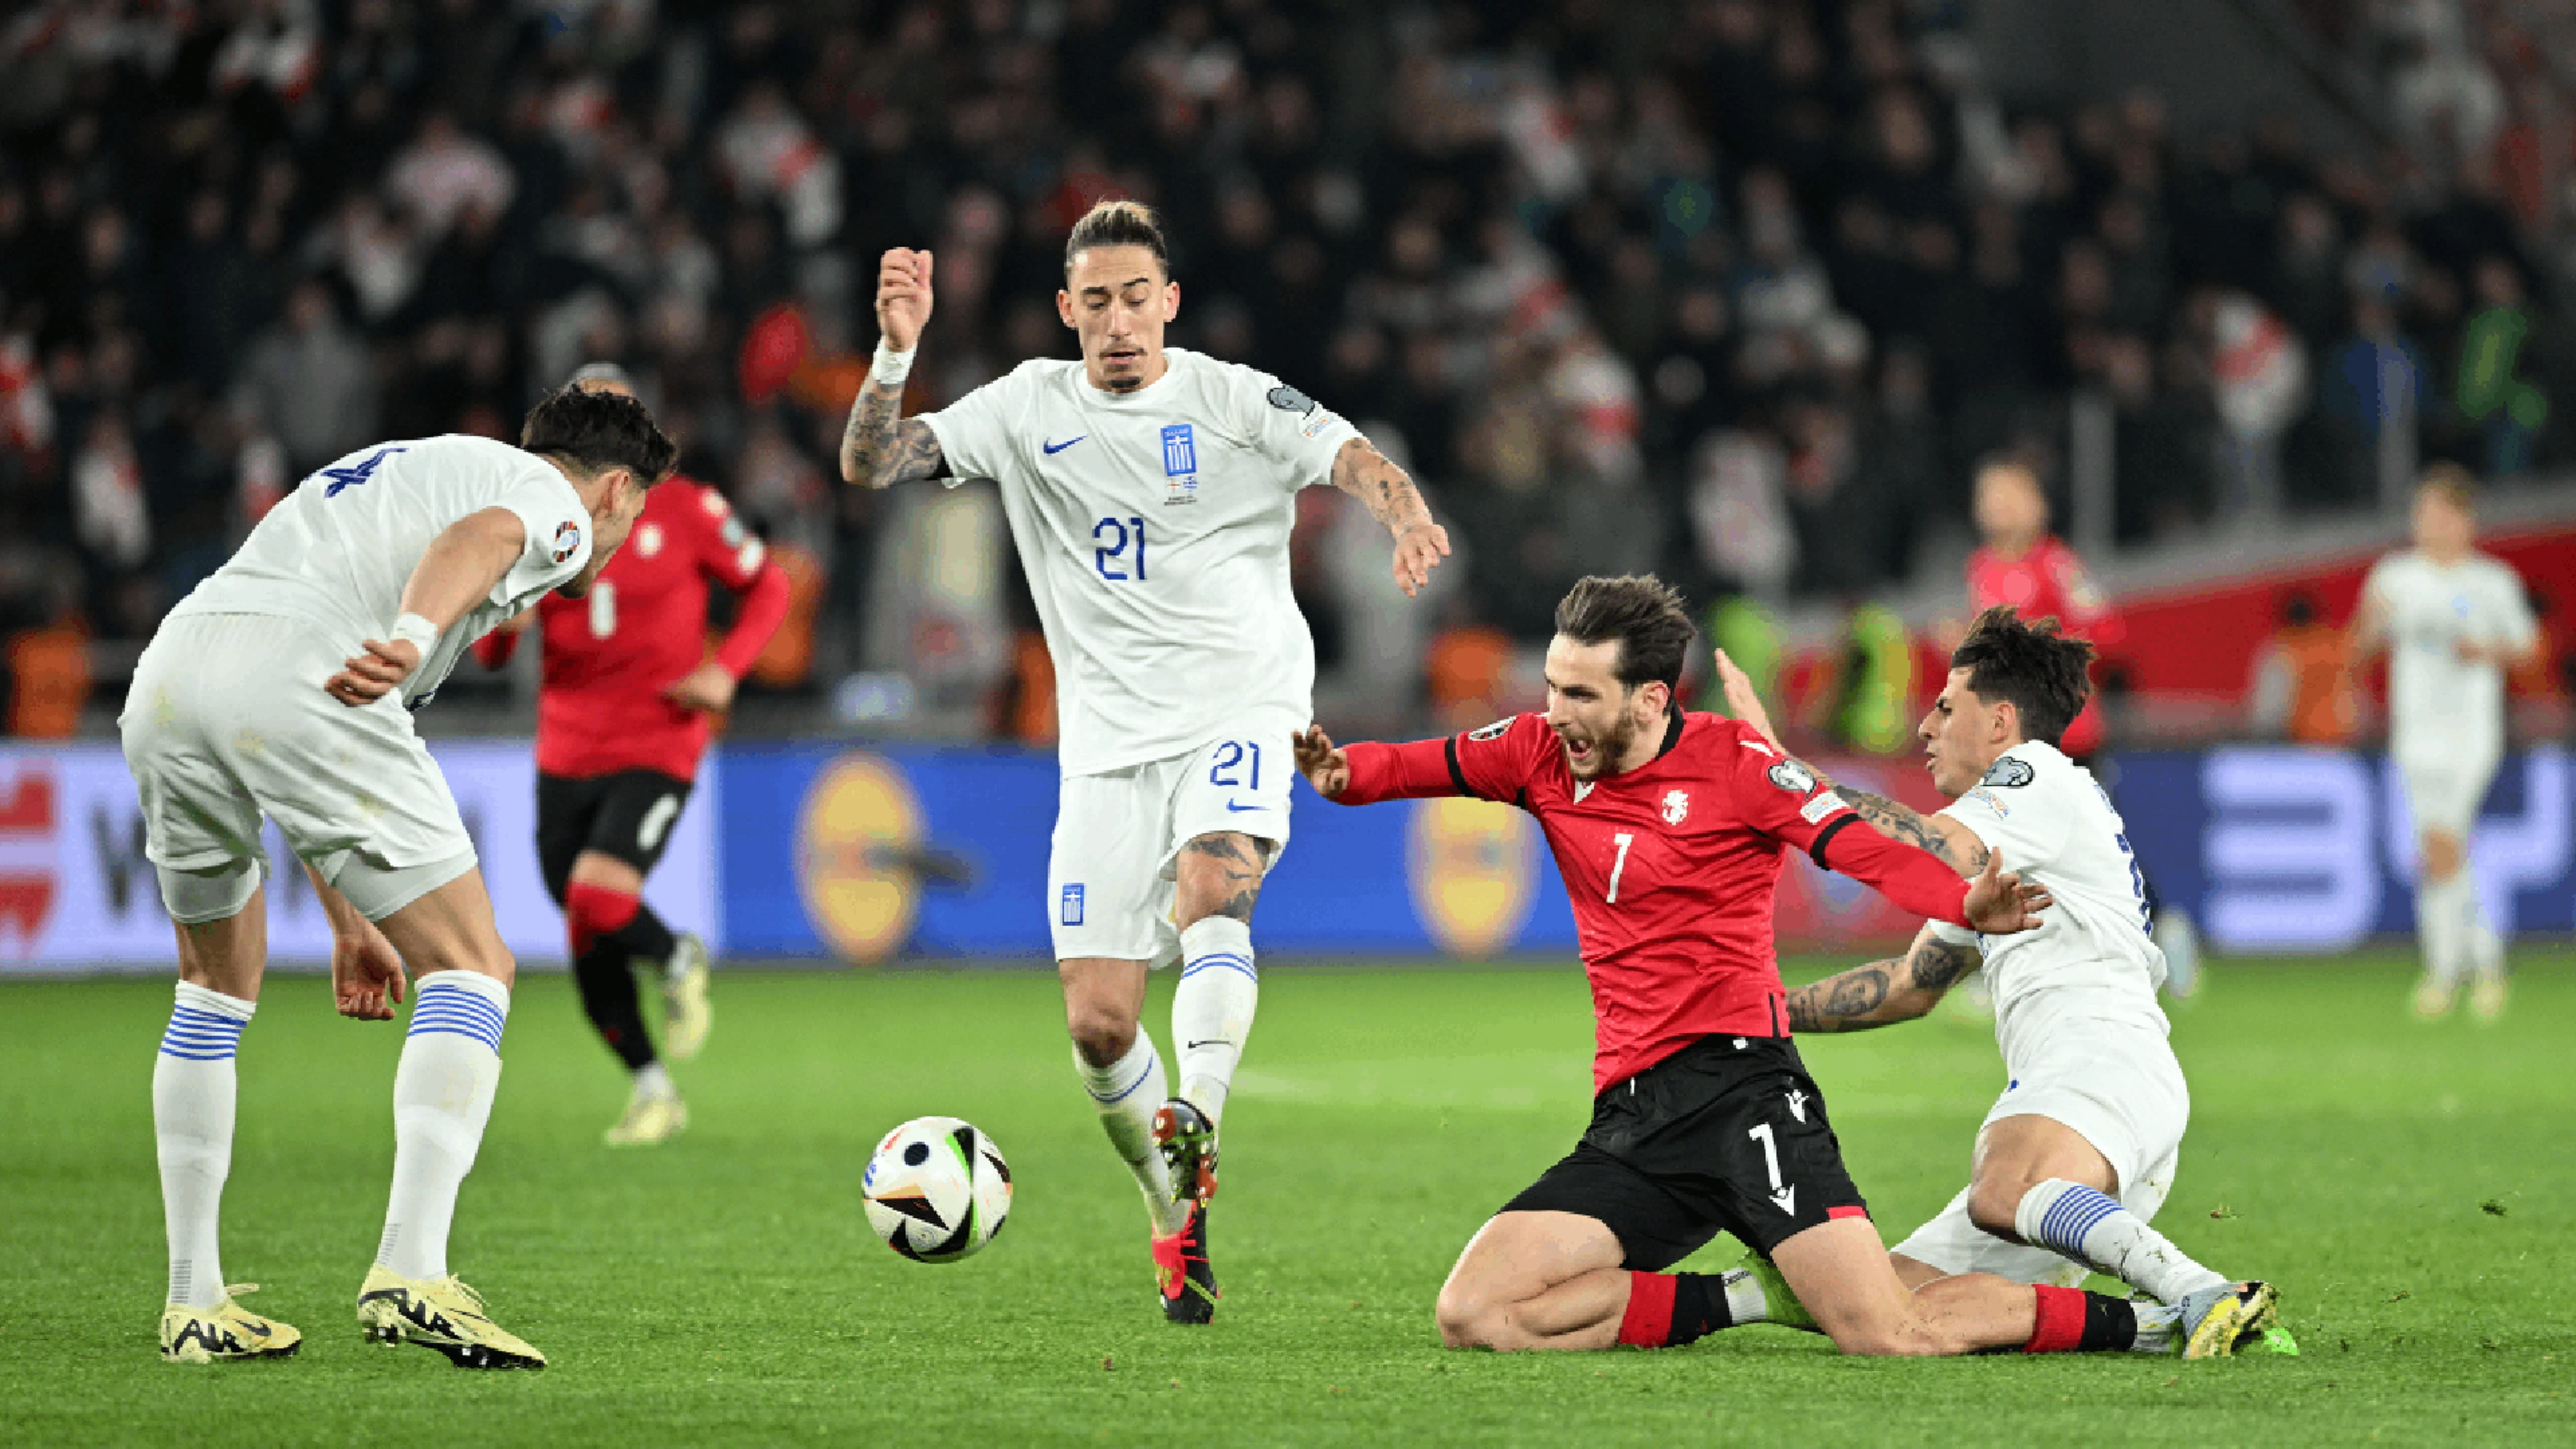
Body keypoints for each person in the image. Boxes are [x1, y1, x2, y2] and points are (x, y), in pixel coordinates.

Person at [1295, 575, 2229, 1358]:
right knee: (1477, 1314)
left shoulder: (1992, 778)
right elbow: (1906, 986)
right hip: (1636, 1111)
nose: (1556, 712)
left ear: (1653, 698)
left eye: (1582, 694)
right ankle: (1740, 1299)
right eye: (1551, 685)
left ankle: (2152, 1316)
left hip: (1747, 1096)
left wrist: (1944, 892)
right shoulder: (1538, 752)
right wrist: (1345, 774)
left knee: (1889, 1329)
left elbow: (1873, 850)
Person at [836, 199, 1451, 1324]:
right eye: (1098, 303)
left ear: (1168, 301)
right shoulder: (1026, 406)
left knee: (1216, 883)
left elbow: (1352, 455)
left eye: (1138, 299)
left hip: (1240, 706)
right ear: (1069, 310)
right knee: (1101, 1025)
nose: (1120, 323)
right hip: (1106, 749)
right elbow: (873, 461)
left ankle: (1199, 1118)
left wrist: (1403, 516)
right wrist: (895, 352)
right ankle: (1173, 1209)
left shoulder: (1229, 397)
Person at [123, 386, 672, 1366]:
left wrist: (348, 918)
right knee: (474, 967)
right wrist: (416, 636)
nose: (623, 538)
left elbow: (290, 730)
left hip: (173, 672)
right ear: (619, 490)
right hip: (299, 666)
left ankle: (193, 1302)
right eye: (634, 516)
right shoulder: (544, 499)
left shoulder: (413, 461)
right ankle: (412, 1273)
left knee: (212, 987)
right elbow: (486, 537)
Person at [1716, 608, 2286, 1359]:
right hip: (2101, 1100)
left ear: (2002, 721)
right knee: (1878, 1304)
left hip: (2096, 1066)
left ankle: (2200, 1288)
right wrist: (1763, 1015)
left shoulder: (2037, 775)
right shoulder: (2010, 844)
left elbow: (1936, 844)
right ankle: (2152, 1326)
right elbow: (1910, 985)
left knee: (2000, 1192)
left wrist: (1785, 776)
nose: (1925, 726)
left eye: (1946, 706)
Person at [470, 364, 790, 1144]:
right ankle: (652, 1088)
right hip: (565, 745)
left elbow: (769, 588)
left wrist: (725, 669)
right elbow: (488, 656)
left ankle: (678, 954)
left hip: (659, 737)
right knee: (583, 921)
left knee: (599, 898)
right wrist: (506, 617)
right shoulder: (534, 522)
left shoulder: (686, 508)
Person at [1959, 458, 2201, 999]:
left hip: (2069, 734)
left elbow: (2107, 631)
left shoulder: (2056, 563)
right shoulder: (1981, 567)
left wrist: (2031, 643)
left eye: (2009, 495)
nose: (1998, 507)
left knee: (2072, 852)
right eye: (1990, 496)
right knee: (2029, 850)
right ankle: (2029, 962)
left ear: (2036, 505)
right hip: (2010, 737)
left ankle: (2162, 927)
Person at [2349, 466, 2540, 1020]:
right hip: (2416, 731)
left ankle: (2456, 971)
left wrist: (2487, 652)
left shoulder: (2492, 581)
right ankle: (2467, 971)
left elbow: (2527, 648)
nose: (2426, 524)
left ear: (2464, 520)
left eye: (2437, 514)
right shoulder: (2395, 576)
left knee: (2443, 841)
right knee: (2438, 851)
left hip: (2472, 731)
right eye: (2421, 513)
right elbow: (2360, 646)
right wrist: (2370, 623)